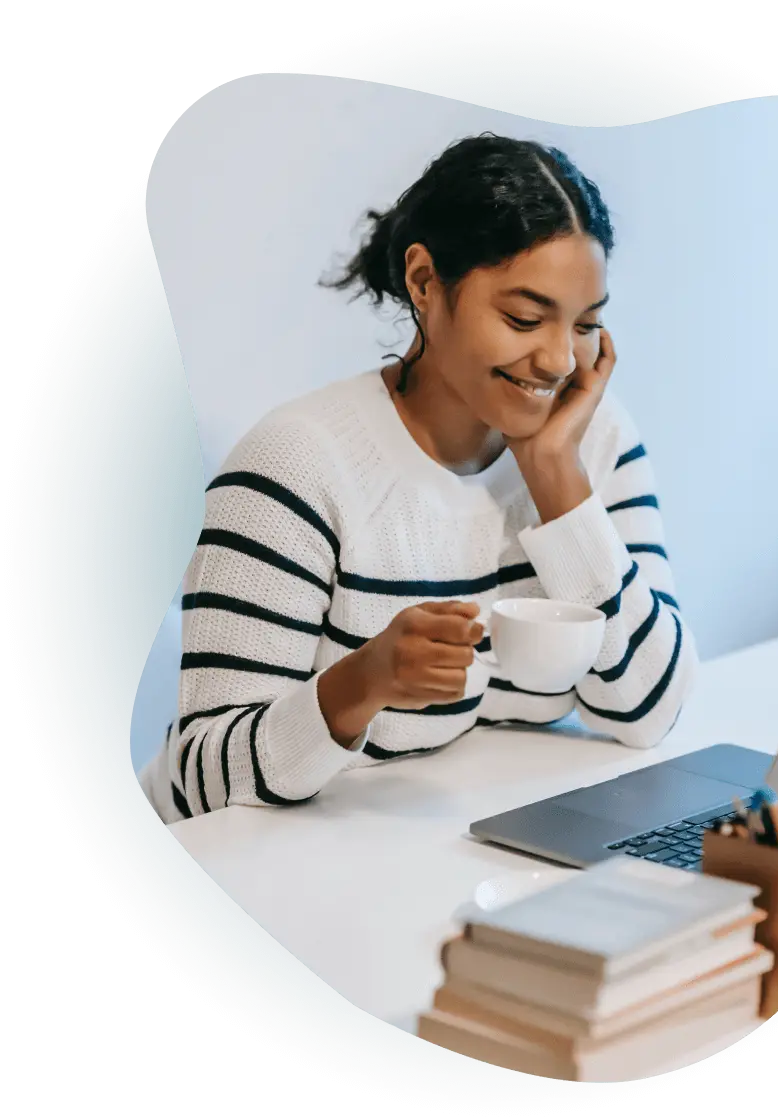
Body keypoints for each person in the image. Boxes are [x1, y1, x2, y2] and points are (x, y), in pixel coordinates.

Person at [139, 133, 700, 824]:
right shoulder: (295, 467)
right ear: (425, 282)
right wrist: (359, 685)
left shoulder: (593, 438)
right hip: (237, 874)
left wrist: (557, 480)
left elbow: (652, 709)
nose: (559, 359)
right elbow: (203, 782)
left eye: (585, 324)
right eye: (524, 318)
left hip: (442, 855)